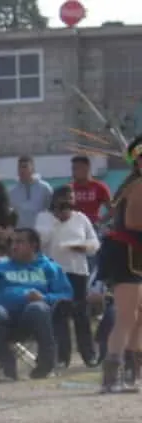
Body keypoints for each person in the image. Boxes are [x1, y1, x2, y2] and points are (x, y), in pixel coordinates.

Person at [0, 228, 73, 380]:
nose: (14, 246)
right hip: (2, 319)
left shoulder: (49, 267)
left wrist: (44, 298)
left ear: (33, 245)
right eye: (12, 242)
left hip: (33, 321)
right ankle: (4, 368)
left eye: (20, 242)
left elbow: (66, 295)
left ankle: (45, 367)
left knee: (37, 308)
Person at [97, 135, 142, 392]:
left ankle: (133, 374)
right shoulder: (139, 185)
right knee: (126, 316)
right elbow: (135, 222)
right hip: (125, 252)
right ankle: (111, 378)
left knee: (139, 317)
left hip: (135, 253)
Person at [36, 186, 100, 368]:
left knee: (81, 315)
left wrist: (84, 247)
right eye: (65, 199)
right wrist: (58, 221)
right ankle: (62, 357)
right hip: (55, 272)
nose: (69, 202)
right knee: (59, 315)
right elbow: (40, 242)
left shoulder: (81, 218)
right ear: (55, 200)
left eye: (71, 198)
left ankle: (89, 355)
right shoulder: (44, 218)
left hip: (77, 271)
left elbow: (94, 243)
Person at [8, 155, 53, 231]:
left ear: (32, 169)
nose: (22, 170)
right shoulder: (12, 191)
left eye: (25, 167)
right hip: (20, 232)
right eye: (19, 167)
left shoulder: (45, 188)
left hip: (40, 232)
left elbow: (51, 210)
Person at [69, 155, 113, 225]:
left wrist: (99, 223)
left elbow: (112, 210)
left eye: (76, 169)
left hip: (93, 228)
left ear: (87, 168)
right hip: (74, 228)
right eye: (72, 169)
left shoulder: (99, 187)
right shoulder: (69, 189)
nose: (73, 172)